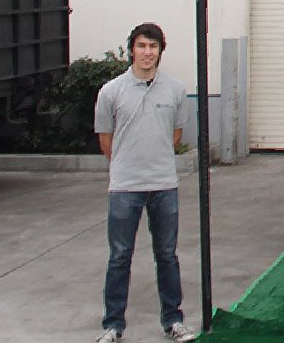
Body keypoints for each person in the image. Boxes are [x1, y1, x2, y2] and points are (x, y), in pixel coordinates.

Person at [93, 22, 197, 342]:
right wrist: (127, 166)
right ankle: (113, 325)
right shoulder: (111, 91)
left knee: (167, 254)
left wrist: (154, 163)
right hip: (125, 187)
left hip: (164, 185)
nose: (147, 52)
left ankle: (173, 321)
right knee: (120, 256)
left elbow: (175, 136)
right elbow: (106, 139)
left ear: (160, 52)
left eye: (153, 47)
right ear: (132, 50)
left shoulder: (176, 91)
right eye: (141, 46)